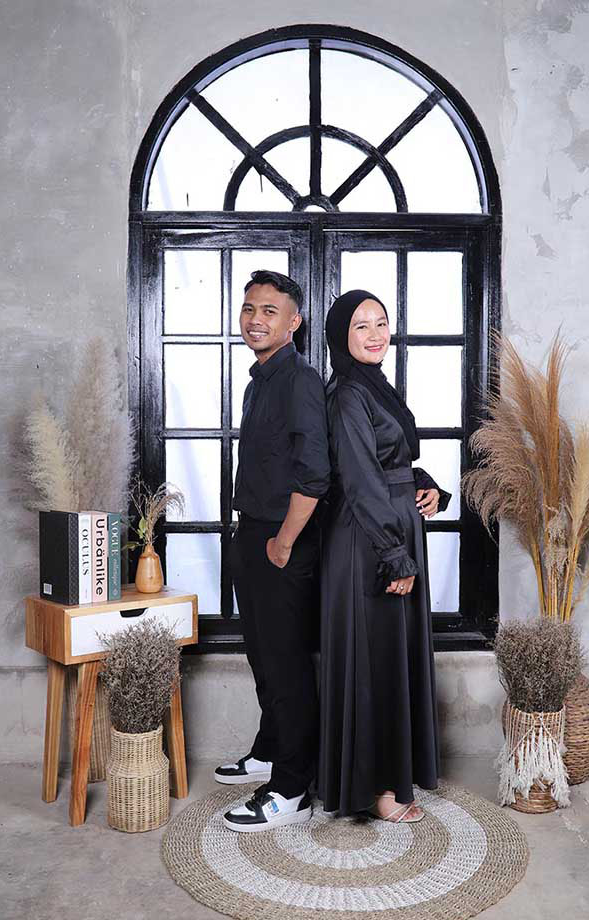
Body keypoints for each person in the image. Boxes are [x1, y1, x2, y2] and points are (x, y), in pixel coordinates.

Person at [318, 289, 451, 823]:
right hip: (369, 540)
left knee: (390, 656)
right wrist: (395, 555)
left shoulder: (375, 386)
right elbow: (358, 478)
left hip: (391, 527)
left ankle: (390, 777)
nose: (375, 335)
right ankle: (374, 789)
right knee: (373, 659)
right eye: (361, 326)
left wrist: (427, 485)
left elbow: (390, 460)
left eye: (381, 322)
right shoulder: (348, 393)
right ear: (340, 337)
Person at [217, 269, 330, 832]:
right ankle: (269, 750)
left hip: (283, 541)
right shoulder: (258, 381)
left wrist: (283, 541)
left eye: (269, 311)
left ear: (294, 322)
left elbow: (315, 474)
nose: (255, 320)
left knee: (285, 665)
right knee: (263, 657)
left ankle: (290, 789)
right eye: (249, 309)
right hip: (253, 533)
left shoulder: (300, 380)